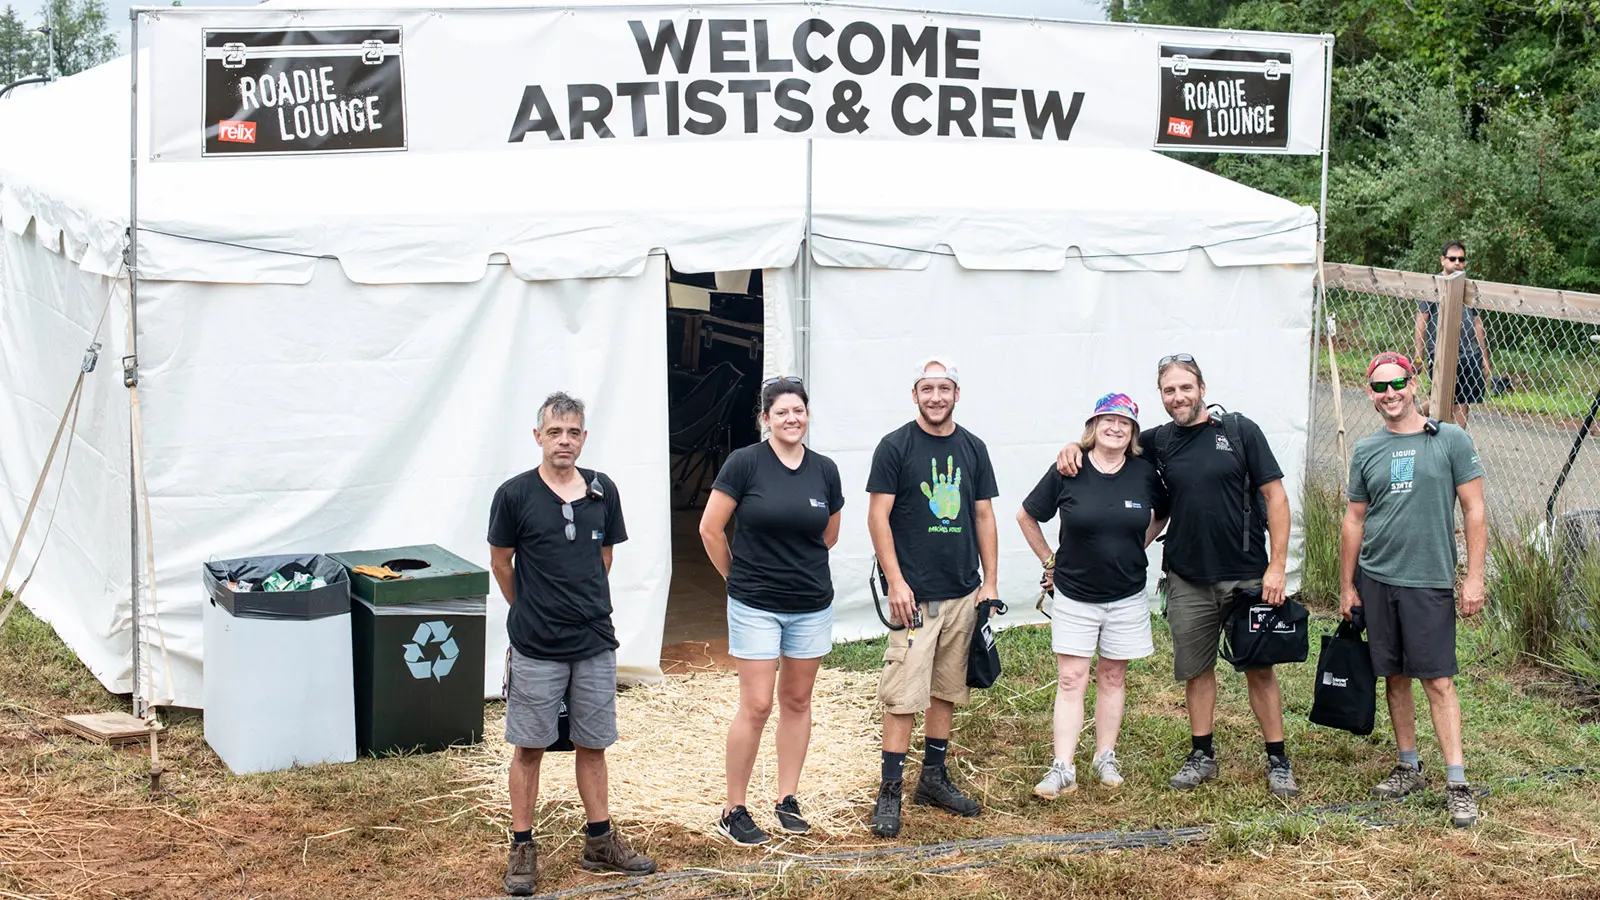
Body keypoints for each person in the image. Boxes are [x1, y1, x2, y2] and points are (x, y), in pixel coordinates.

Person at [1057, 355, 1296, 798]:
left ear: (1201, 387)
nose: (1178, 397)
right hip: (1186, 576)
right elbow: (1110, 442)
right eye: (1169, 390)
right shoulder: (1159, 442)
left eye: (1185, 387)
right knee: (1196, 670)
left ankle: (1278, 759)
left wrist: (1276, 566)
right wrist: (1073, 447)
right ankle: (1201, 755)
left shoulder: (1240, 432)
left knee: (1259, 668)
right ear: (1161, 396)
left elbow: (1276, 497)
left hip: (1246, 575)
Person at [488, 392, 657, 897]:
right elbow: (502, 564)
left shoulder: (604, 491)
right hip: (537, 643)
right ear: (537, 436)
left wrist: (577, 605)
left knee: (593, 742)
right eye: (555, 432)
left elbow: (603, 559)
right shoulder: (514, 495)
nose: (564, 441)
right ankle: (522, 847)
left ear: (584, 436)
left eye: (573, 432)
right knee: (530, 746)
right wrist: (532, 609)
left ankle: (600, 842)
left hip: (593, 640)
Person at [1341, 352, 1487, 828]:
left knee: (1438, 680)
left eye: (1398, 383)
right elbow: (1355, 519)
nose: (1391, 393)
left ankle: (1458, 781)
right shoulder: (1366, 450)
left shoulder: (1449, 439)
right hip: (1377, 578)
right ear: (1370, 394)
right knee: (1394, 675)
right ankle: (1408, 765)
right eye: (1380, 387)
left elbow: (1475, 511)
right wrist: (1347, 585)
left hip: (1429, 580)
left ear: (1412, 383)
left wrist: (1474, 577)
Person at [698, 376, 844, 846]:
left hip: (809, 605)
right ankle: (733, 807)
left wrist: (796, 569)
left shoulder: (825, 470)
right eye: (780, 412)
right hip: (755, 605)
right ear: (765, 419)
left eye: (798, 410)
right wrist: (735, 578)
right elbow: (710, 529)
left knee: (797, 702)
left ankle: (787, 799)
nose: (791, 418)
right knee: (757, 704)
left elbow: (829, 534)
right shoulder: (744, 463)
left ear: (807, 414)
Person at [865, 357, 999, 838]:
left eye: (945, 388)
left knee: (947, 688)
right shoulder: (895, 446)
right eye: (928, 389)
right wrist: (895, 581)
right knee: (903, 695)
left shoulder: (973, 448)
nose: (936, 397)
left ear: (957, 394)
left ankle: (934, 779)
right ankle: (890, 791)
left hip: (963, 590)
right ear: (915, 394)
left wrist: (990, 581)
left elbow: (983, 516)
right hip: (914, 597)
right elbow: (877, 517)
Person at [1018, 393, 1166, 798]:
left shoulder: (1144, 473)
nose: (1116, 428)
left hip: (1126, 594)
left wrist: (1141, 542)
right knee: (1071, 678)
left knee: (1114, 675)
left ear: (1133, 431)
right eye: (1108, 420)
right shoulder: (1070, 467)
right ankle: (1062, 766)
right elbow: (1026, 515)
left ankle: (1105, 755)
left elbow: (1162, 512)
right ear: (1093, 426)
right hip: (1075, 593)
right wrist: (1050, 561)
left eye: (1125, 422)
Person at [1414, 241, 1491, 427]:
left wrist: (1484, 358)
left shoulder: (1469, 288)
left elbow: (1477, 324)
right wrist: (1418, 355)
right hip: (1440, 352)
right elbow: (1421, 321)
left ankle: (1457, 445)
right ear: (1443, 260)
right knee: (1439, 400)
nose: (1457, 263)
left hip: (1469, 353)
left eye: (1461, 259)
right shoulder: (1433, 285)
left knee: (1464, 400)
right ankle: (1411, 418)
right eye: (1452, 258)